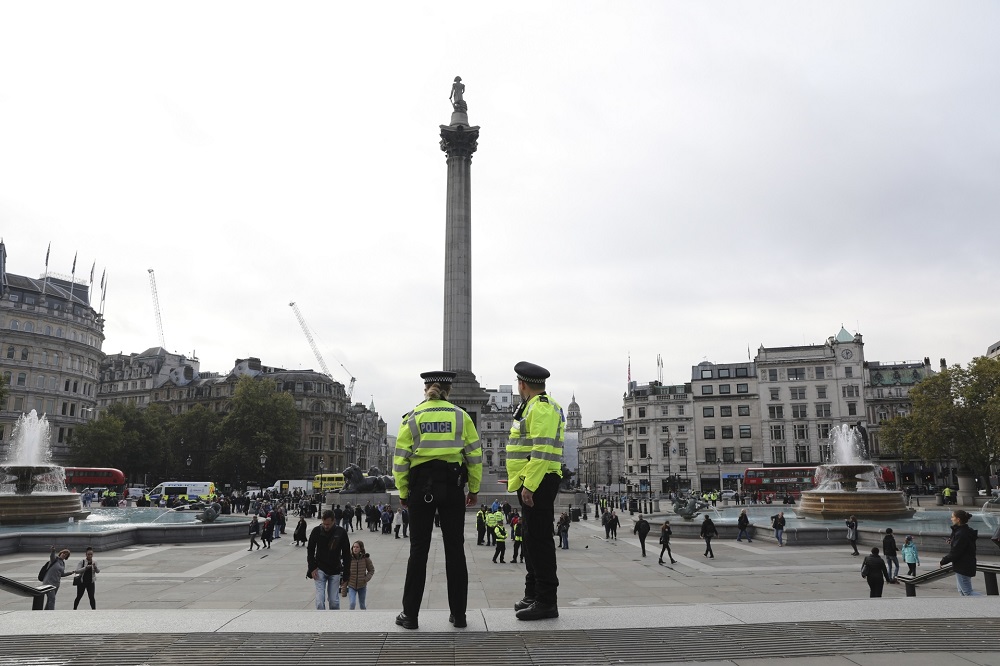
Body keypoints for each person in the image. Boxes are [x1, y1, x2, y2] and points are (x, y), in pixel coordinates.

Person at [393, 370, 482, 630]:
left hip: (421, 488)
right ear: (448, 390)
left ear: (426, 389)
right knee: (455, 550)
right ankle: (459, 615)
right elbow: (474, 458)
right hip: (453, 486)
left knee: (418, 551)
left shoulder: (412, 417)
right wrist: (473, 489)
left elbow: (400, 461)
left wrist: (403, 492)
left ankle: (410, 615)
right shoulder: (461, 416)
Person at [506, 361, 565, 622]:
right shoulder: (534, 406)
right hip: (531, 478)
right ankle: (532, 594)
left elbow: (540, 451)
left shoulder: (541, 409)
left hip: (538, 480)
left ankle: (546, 600)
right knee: (530, 538)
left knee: (540, 540)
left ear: (523, 384)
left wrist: (529, 485)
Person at [307, 509, 352, 610]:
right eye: (324, 524)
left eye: (328, 524)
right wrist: (312, 567)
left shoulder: (341, 532)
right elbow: (310, 550)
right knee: (319, 601)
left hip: (335, 569)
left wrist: (346, 575)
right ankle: (321, 621)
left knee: (334, 601)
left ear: (333, 521)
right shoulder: (316, 531)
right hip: (320, 569)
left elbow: (346, 554)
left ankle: (333, 622)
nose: (326, 526)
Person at [940, 509, 980, 596]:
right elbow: (961, 545)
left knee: (967, 592)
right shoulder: (963, 530)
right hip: (963, 564)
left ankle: (989, 601)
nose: (951, 519)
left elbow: (956, 551)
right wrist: (953, 540)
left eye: (952, 517)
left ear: (958, 519)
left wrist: (943, 561)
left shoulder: (961, 533)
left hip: (963, 565)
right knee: (961, 591)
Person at [342, 540, 375, 610]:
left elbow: (371, 570)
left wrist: (366, 579)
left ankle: (364, 618)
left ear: (361, 549)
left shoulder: (365, 559)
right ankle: (351, 617)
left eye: (357, 547)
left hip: (362, 586)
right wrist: (344, 589)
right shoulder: (349, 559)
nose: (355, 549)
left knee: (362, 605)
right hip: (351, 585)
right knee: (352, 603)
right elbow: (345, 573)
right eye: (354, 547)